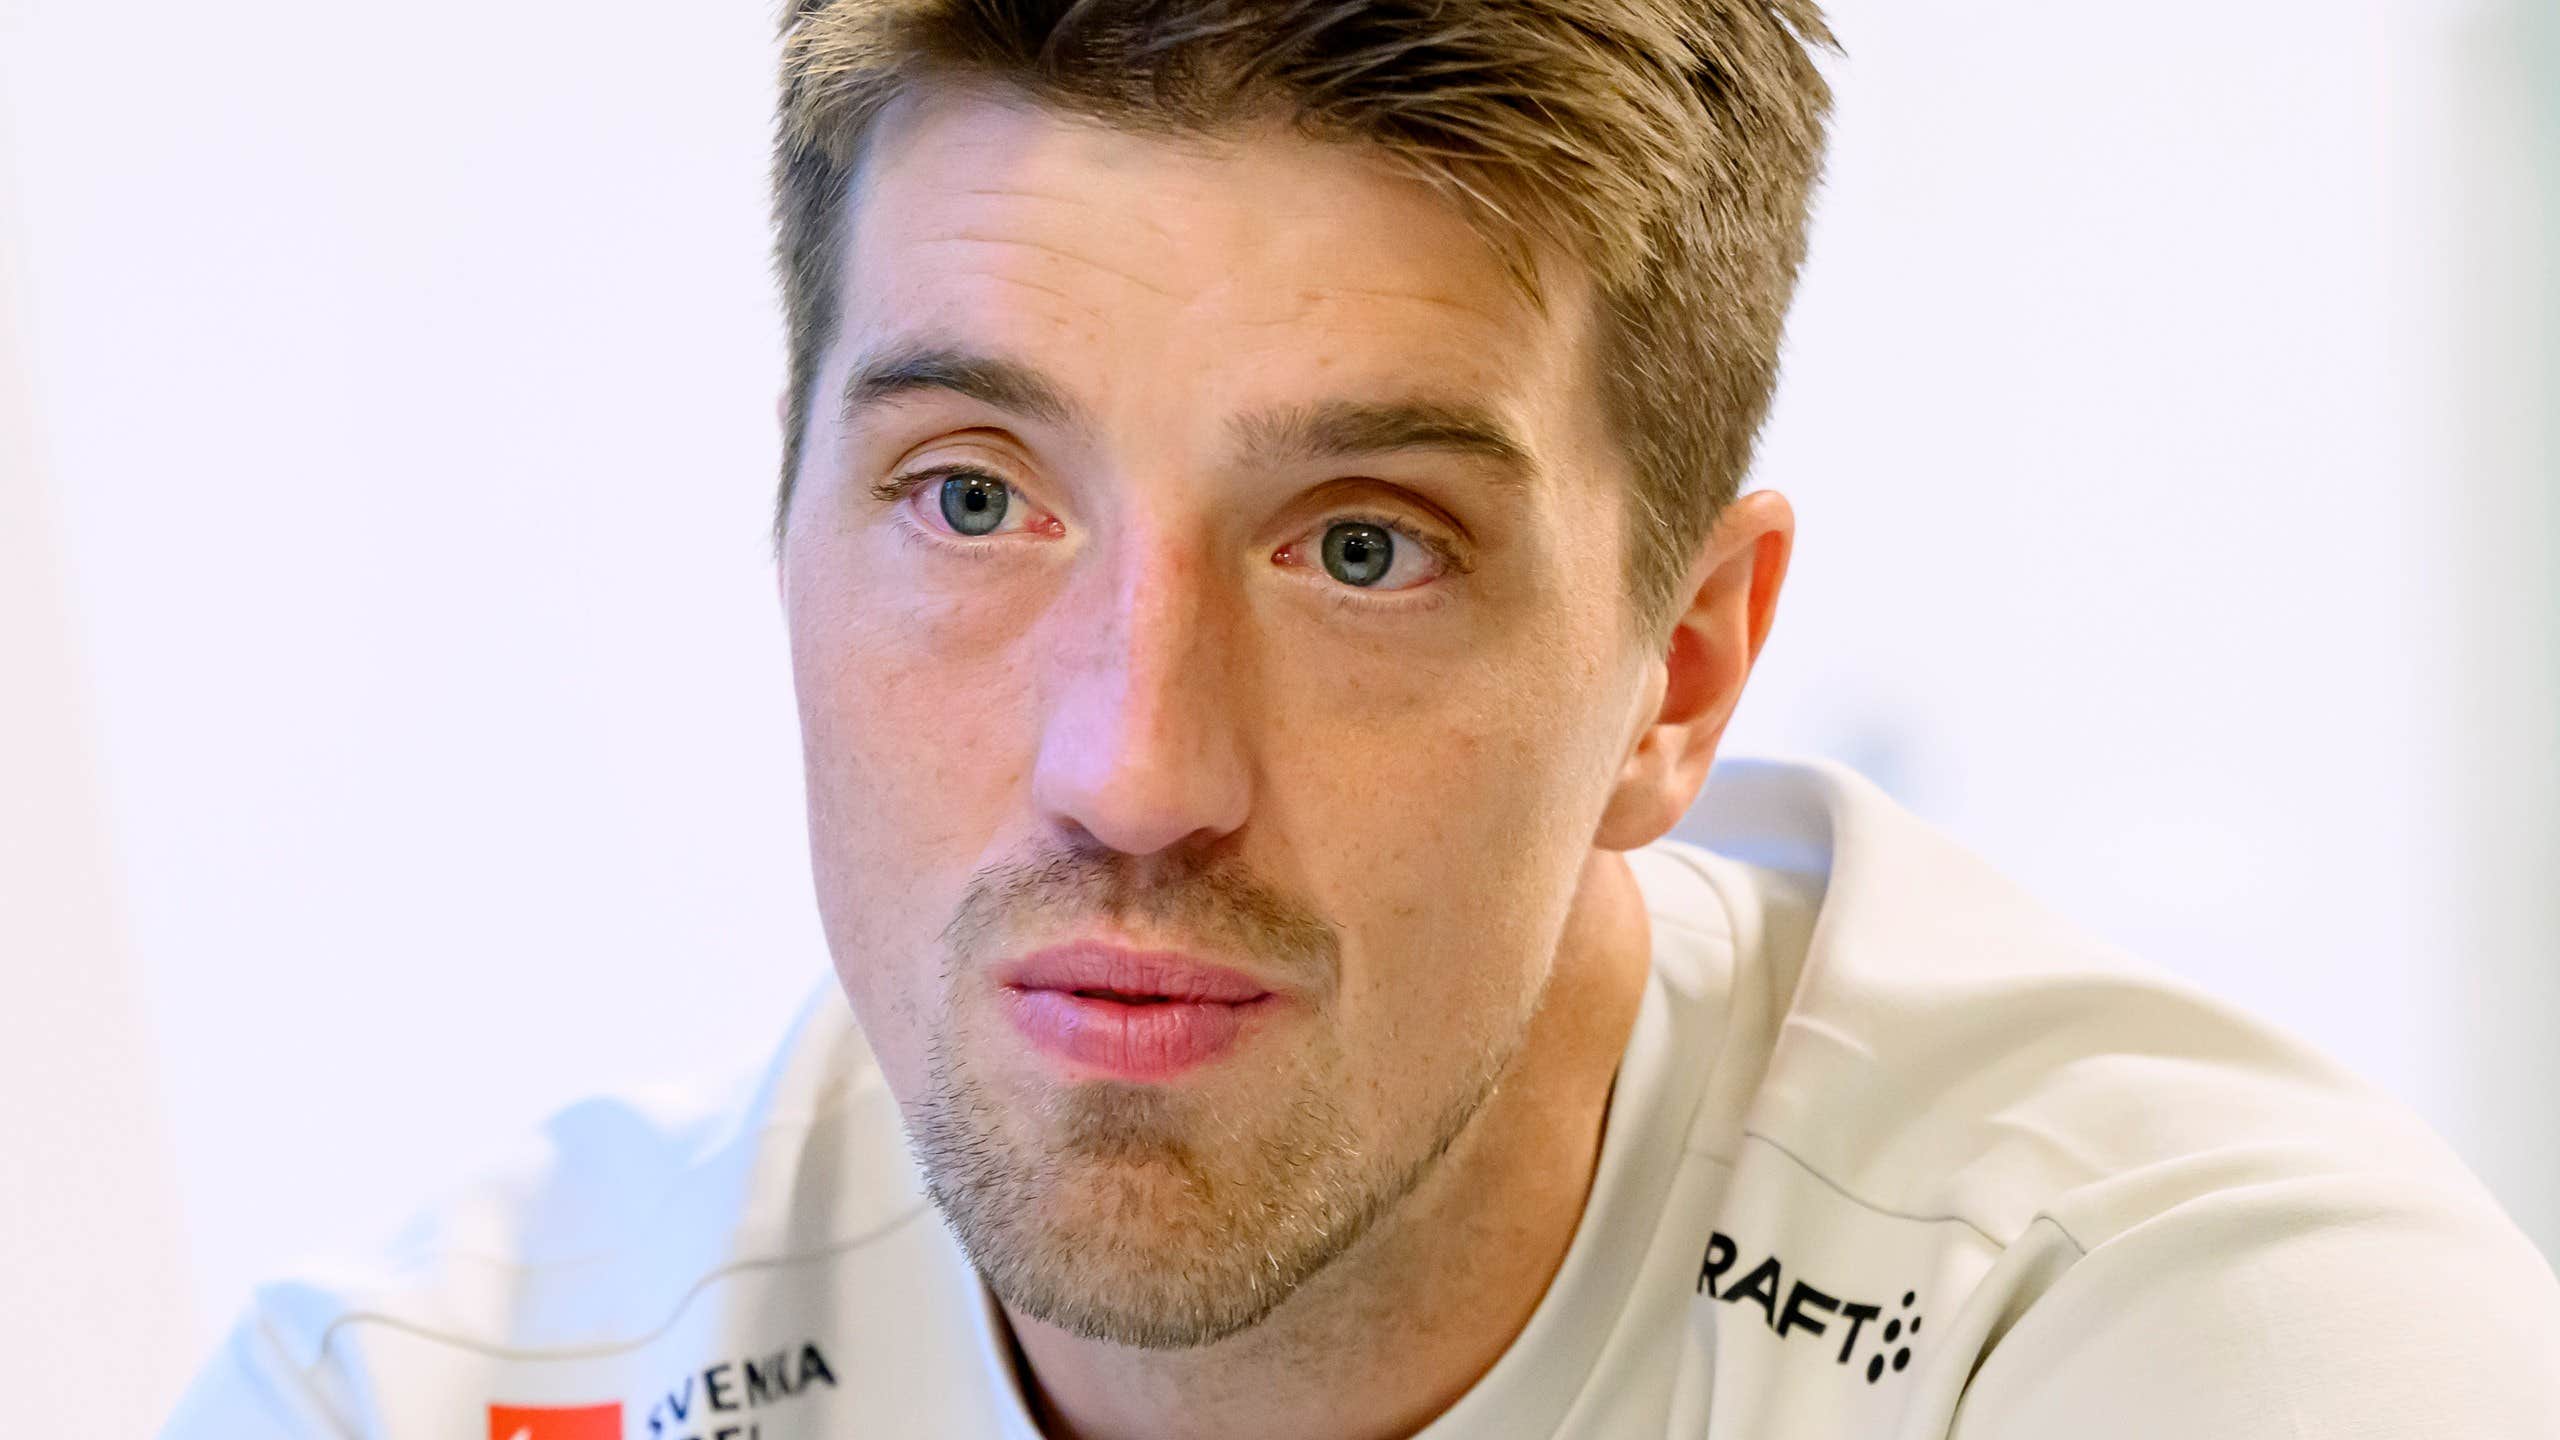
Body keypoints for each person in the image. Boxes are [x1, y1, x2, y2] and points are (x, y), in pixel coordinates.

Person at [165, 1, 2560, 1436]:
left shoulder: (2194, 1348)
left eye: (1360, 547)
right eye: (972, 497)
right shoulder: (428, 1390)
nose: (1131, 771)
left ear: (1675, 673)